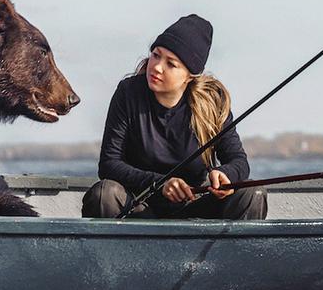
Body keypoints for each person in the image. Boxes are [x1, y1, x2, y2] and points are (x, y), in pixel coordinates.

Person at [82, 14, 267, 220]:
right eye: (156, 55)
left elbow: (238, 160)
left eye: (171, 64)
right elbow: (109, 164)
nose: (157, 67)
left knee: (253, 194)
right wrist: (160, 183)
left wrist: (227, 175)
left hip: (195, 208)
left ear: (190, 76)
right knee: (104, 195)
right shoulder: (128, 92)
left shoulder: (213, 102)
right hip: (139, 207)